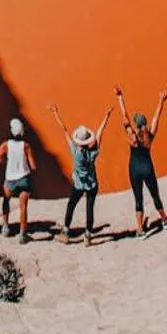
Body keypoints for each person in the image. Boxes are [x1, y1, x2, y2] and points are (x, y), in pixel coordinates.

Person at [49, 102, 112, 246]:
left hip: (78, 184)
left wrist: (55, 113)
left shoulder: (75, 151)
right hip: (92, 184)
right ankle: (88, 236)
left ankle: (65, 233)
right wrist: (106, 117)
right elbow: (100, 134)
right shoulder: (93, 153)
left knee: (71, 205)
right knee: (90, 209)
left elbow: (64, 130)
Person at [115, 85, 167, 235]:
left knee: (138, 199)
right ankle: (164, 219)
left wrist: (120, 97)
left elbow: (124, 116)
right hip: (147, 168)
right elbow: (156, 117)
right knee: (155, 194)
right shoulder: (150, 136)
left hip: (134, 169)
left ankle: (140, 230)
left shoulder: (131, 136)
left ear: (136, 124)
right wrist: (161, 101)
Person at [0, 117, 36, 241]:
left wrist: (5, 161)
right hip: (24, 178)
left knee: (6, 201)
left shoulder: (6, 144)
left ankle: (5, 228)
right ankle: (22, 234)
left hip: (10, 178)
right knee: (23, 207)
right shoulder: (26, 146)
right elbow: (33, 166)